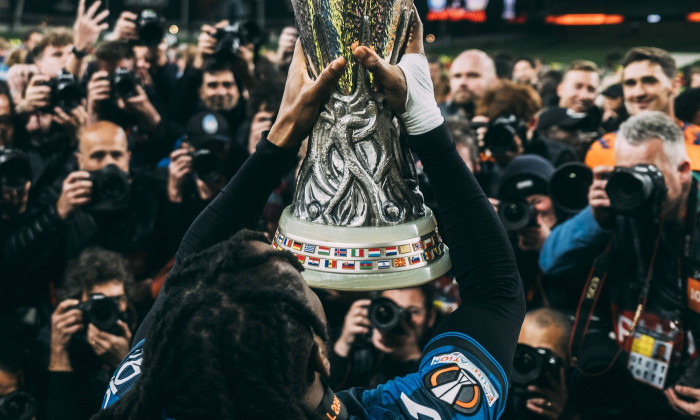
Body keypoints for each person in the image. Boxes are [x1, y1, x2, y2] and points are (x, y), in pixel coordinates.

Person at [97, 11, 524, 419]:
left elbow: (187, 270)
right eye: (295, 276)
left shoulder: (139, 402)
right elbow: (496, 294)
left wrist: (281, 134)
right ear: (321, 354)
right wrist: (424, 119)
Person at [540, 111, 700, 418]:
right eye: (625, 174)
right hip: (627, 379)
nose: (636, 186)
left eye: (648, 174)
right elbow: (551, 262)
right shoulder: (618, 210)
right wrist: (595, 219)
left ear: (682, 171)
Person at [44, 247, 134, 420]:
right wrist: (59, 353)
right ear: (79, 302)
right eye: (98, 301)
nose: (108, 309)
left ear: (127, 299)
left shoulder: (141, 333)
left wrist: (124, 362)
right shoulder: (62, 338)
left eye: (116, 300)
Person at [585, 47, 700, 170]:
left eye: (649, 81)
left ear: (674, 85)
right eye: (630, 83)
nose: (638, 93)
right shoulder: (602, 149)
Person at [328, 285, 437, 389]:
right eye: (389, 309)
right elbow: (321, 394)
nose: (398, 318)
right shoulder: (361, 336)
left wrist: (411, 357)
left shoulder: (440, 351)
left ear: (430, 317)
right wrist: (343, 345)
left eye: (412, 312)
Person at [440, 49, 498, 120]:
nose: (462, 82)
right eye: (457, 76)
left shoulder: (506, 119)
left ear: (494, 81)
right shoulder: (436, 117)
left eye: (473, 75)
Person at [555, 60, 602, 133]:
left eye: (591, 89)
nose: (584, 95)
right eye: (578, 87)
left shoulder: (605, 137)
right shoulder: (537, 128)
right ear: (560, 89)